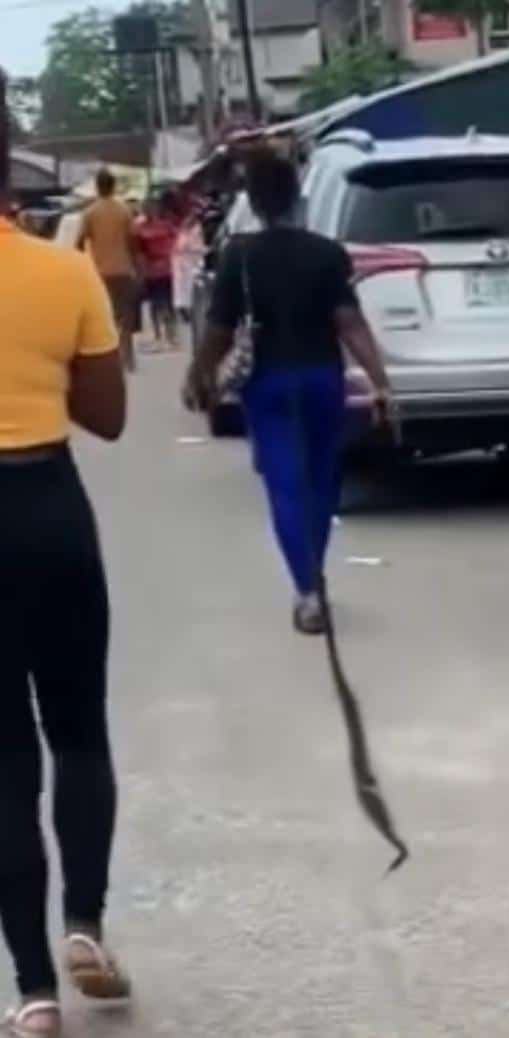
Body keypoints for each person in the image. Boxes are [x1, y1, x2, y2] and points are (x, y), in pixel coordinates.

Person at [0, 71, 130, 1038]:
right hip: (49, 504)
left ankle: (34, 989)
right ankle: (85, 922)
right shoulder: (63, 270)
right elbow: (111, 417)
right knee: (78, 730)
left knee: (3, 761)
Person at [183, 150, 394, 634]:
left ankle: (307, 590)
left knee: (285, 484)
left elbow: (218, 328)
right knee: (322, 482)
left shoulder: (240, 255)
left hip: (270, 383)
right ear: (298, 197)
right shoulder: (326, 253)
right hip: (322, 378)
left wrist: (199, 375)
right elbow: (349, 322)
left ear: (254, 202)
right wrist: (380, 381)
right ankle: (314, 576)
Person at [77, 168, 139, 371]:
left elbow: (79, 243)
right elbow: (133, 241)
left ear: (97, 187)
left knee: (106, 319)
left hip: (100, 273)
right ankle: (128, 359)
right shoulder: (124, 210)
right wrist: (136, 267)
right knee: (126, 317)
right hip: (124, 270)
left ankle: (111, 361)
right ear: (113, 186)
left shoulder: (90, 212)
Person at [134, 195, 179, 349]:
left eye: (151, 207)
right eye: (146, 208)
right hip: (151, 270)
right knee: (155, 304)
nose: (148, 210)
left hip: (166, 269)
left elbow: (176, 242)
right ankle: (159, 335)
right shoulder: (140, 228)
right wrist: (141, 271)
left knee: (167, 303)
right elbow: (139, 252)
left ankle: (171, 335)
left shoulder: (166, 225)